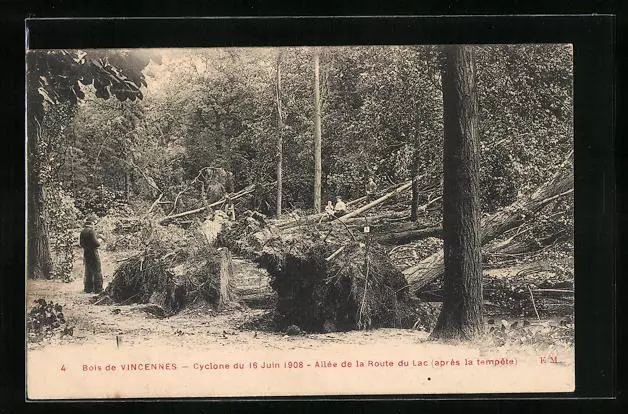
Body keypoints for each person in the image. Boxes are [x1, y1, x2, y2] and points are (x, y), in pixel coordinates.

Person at [79, 215, 103, 294]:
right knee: (97, 270)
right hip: (93, 252)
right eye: (94, 223)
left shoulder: (83, 231)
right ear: (92, 223)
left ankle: (88, 288)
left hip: (86, 253)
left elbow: (81, 244)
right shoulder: (91, 231)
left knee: (88, 271)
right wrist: (100, 240)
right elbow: (96, 244)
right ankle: (98, 289)